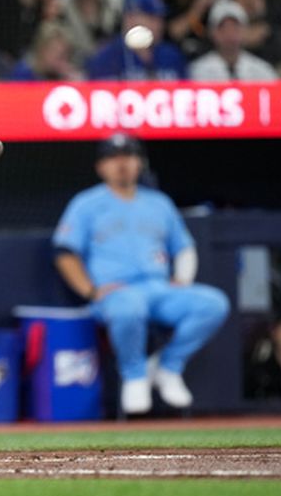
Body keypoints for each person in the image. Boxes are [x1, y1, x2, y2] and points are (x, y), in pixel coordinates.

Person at [53, 133, 229, 414]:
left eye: (128, 157)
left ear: (139, 163)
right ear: (101, 166)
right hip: (116, 293)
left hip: (159, 288)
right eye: (113, 158)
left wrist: (182, 279)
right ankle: (134, 375)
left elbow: (184, 247)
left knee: (213, 303)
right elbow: (64, 252)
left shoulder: (159, 203)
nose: (122, 164)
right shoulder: (86, 203)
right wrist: (91, 290)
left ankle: (167, 367)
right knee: (129, 306)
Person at [86, 0, 187, 81]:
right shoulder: (107, 58)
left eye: (160, 19)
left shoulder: (172, 56)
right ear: (130, 19)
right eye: (151, 18)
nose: (159, 25)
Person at [189, 0, 278, 81]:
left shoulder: (263, 70)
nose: (230, 34)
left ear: (245, 31)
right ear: (212, 33)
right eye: (223, 28)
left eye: (235, 27)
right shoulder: (198, 70)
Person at [8, 22, 85, 81]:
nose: (60, 59)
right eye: (54, 51)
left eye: (64, 54)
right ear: (41, 48)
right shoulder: (23, 73)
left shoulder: (60, 75)